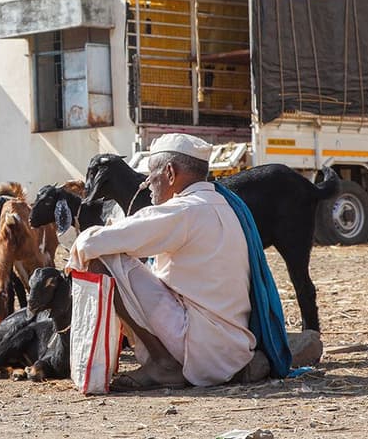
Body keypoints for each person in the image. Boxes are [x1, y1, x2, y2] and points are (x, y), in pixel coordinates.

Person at [66, 133, 257, 389]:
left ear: (169, 173)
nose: (147, 182)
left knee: (103, 259)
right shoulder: (221, 204)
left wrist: (76, 253)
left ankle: (163, 363)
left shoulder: (183, 210)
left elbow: (93, 243)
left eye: (151, 174)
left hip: (201, 350)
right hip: (233, 351)